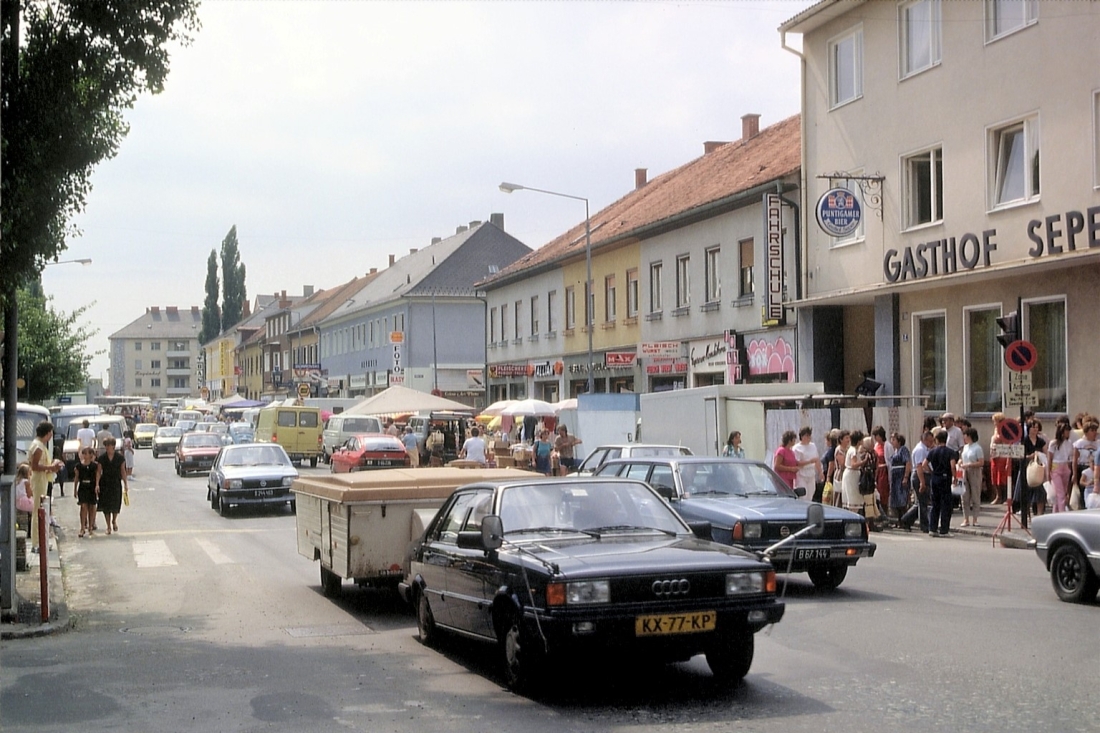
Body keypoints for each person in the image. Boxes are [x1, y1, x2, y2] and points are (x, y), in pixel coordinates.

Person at [28, 421, 63, 552]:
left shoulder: (40, 445)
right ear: (48, 433)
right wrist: (51, 467)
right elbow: (35, 466)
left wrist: (52, 467)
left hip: (42, 479)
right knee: (38, 511)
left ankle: (40, 541)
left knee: (41, 510)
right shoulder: (38, 447)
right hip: (38, 480)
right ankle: (36, 543)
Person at [923, 430, 958, 537]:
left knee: (935, 504)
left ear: (937, 440)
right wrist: (955, 477)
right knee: (946, 505)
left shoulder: (932, 451)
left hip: (935, 478)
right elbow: (952, 465)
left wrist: (931, 471)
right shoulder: (950, 452)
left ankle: (932, 529)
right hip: (945, 478)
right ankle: (944, 530)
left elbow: (924, 464)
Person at [97, 437, 128, 535]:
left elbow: (123, 471)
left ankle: (114, 520)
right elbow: (98, 472)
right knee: (106, 506)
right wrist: (97, 484)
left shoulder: (120, 458)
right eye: (106, 446)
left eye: (109, 446)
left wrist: (126, 483)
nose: (107, 448)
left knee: (115, 504)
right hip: (105, 483)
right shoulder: (101, 458)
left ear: (113, 446)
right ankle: (108, 526)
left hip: (115, 483)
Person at [907, 431, 935, 532]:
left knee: (921, 502)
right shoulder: (920, 449)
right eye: (930, 441)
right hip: (920, 476)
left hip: (924, 475)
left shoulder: (926, 449)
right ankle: (924, 526)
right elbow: (919, 467)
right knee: (923, 503)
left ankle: (906, 520)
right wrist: (922, 482)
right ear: (924, 440)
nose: (931, 443)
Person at [958, 427, 985, 527]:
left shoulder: (977, 448)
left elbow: (981, 462)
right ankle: (966, 519)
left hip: (974, 471)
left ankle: (975, 519)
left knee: (975, 495)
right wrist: (960, 462)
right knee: (964, 495)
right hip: (964, 471)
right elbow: (961, 458)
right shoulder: (965, 447)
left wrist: (969, 464)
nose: (964, 437)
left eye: (965, 435)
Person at [1071, 419, 1099, 510]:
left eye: (1096, 430)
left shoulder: (1098, 443)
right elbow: (1075, 460)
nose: (1094, 433)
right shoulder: (1079, 443)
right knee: (1083, 491)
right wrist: (1074, 474)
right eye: (1092, 430)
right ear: (1086, 432)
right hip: (1082, 467)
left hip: (1095, 468)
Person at [73, 447, 101, 537]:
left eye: (87, 453)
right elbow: (76, 478)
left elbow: (97, 476)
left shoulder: (94, 466)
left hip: (91, 487)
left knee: (92, 507)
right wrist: (75, 489)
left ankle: (90, 527)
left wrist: (97, 485)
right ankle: (82, 528)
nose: (85, 455)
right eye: (83, 453)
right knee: (83, 506)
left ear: (91, 455)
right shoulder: (79, 466)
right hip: (83, 487)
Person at [1047, 420, 1074, 513]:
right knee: (1060, 493)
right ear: (1062, 432)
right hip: (1056, 467)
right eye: (1066, 431)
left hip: (1065, 466)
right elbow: (1050, 458)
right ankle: (1062, 513)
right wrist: (1048, 472)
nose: (1068, 433)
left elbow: (1070, 458)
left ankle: (1056, 512)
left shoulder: (1069, 443)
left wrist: (1071, 471)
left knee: (1063, 492)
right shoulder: (1053, 443)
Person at [841, 430, 868, 514]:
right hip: (852, 475)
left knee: (852, 498)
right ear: (859, 440)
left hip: (850, 474)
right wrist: (864, 461)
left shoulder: (851, 449)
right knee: (853, 499)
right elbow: (853, 464)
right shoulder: (853, 451)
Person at [792, 427, 823, 502]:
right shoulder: (796, 448)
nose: (808, 438)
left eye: (809, 436)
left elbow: (816, 460)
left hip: (811, 474)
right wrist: (809, 461)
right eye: (806, 436)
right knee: (803, 496)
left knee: (810, 494)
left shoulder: (813, 446)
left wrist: (820, 472)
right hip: (801, 474)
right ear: (802, 436)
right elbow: (797, 463)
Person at [888, 433, 911, 521]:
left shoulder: (903, 450)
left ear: (899, 441)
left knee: (902, 498)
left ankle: (905, 520)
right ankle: (899, 520)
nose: (892, 442)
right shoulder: (895, 451)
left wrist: (905, 477)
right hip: (895, 477)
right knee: (896, 499)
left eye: (894, 440)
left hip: (901, 475)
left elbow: (907, 463)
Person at [989, 413, 1010, 505]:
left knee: (1002, 477)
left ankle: (1005, 497)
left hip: (1003, 456)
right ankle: (998, 496)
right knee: (994, 476)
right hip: (994, 455)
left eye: (995, 421)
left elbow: (1007, 442)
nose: (994, 423)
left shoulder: (1006, 430)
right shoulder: (995, 430)